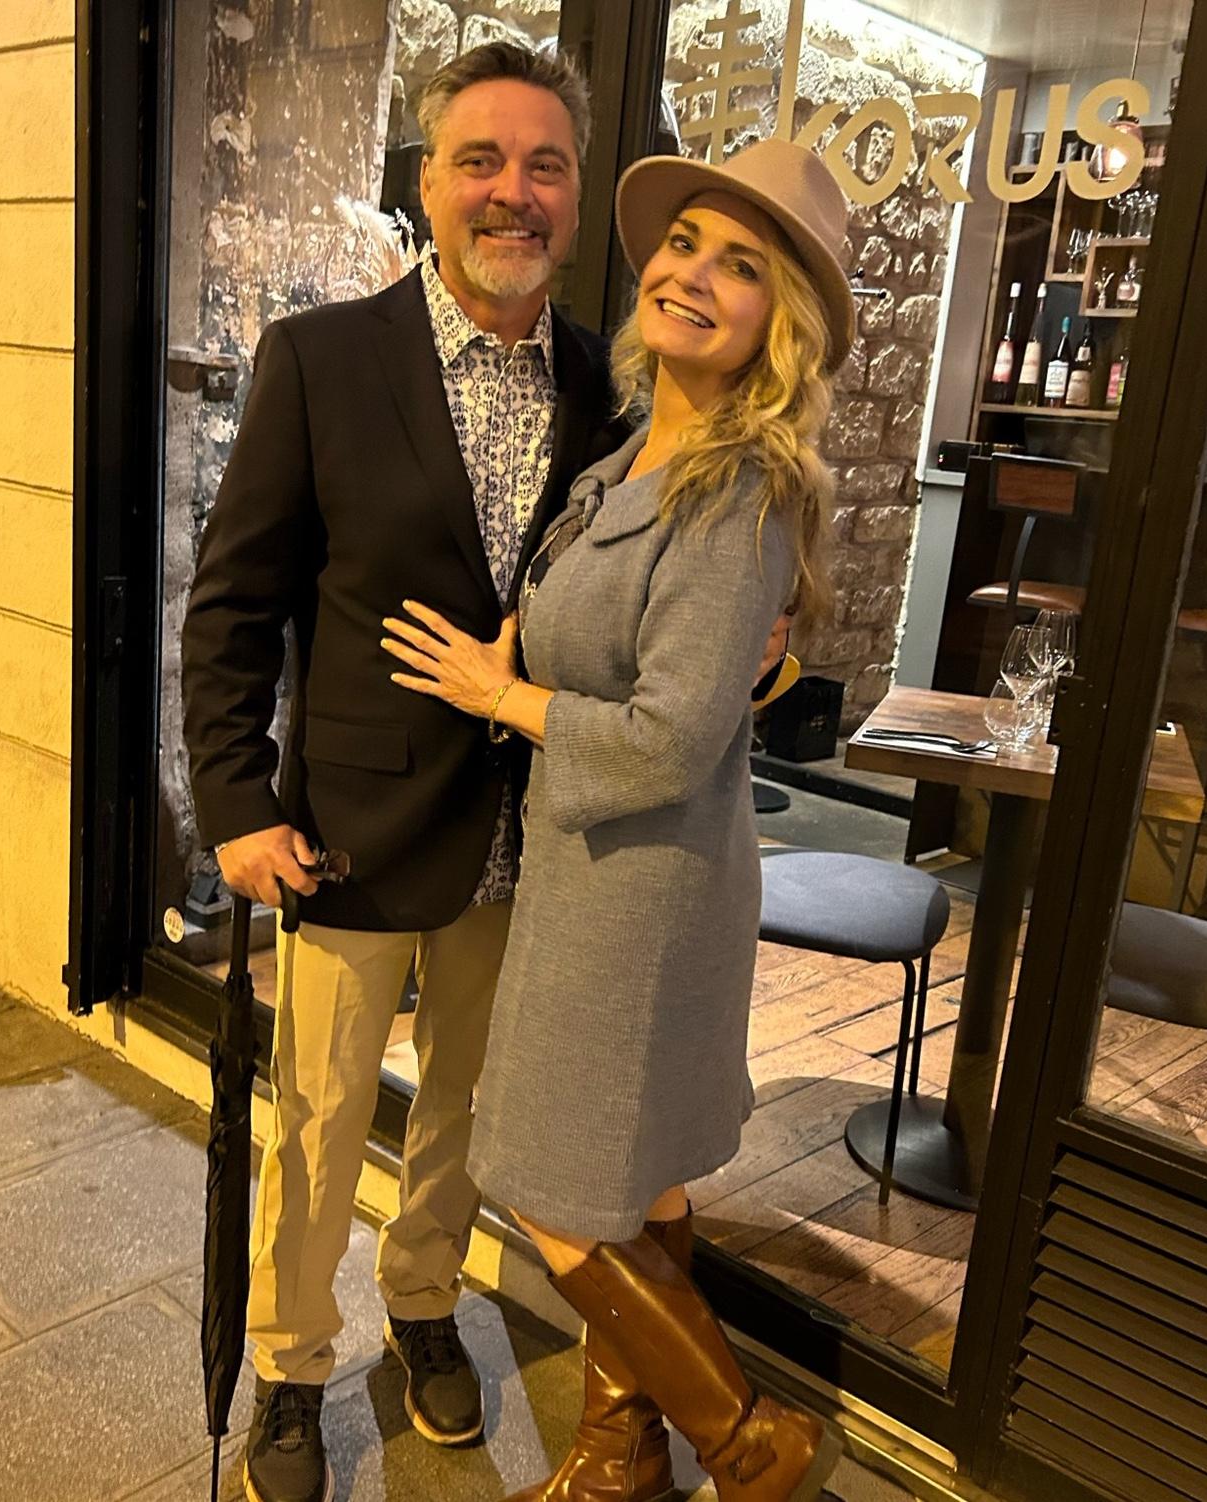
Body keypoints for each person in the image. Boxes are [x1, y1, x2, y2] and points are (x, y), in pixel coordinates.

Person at [183, 40, 787, 1502]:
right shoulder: (321, 359)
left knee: (464, 1114)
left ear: (574, 201)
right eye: (481, 161)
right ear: (427, 182)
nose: (512, 193)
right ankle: (290, 1367)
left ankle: (421, 1304)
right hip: (350, 832)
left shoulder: (614, 385)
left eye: (544, 166)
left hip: (544, 842)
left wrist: (760, 659)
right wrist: (237, 805)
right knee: (321, 1123)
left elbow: (664, 611)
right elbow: (233, 603)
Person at [379, 138, 854, 1501]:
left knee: (548, 1183)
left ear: (779, 324)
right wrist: (522, 649)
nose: (691, 274)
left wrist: (501, 693)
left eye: (739, 265)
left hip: (638, 893)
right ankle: (616, 1456)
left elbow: (668, 735)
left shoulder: (741, 488)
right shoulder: (637, 448)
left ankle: (749, 1441)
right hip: (608, 871)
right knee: (638, 1185)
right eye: (684, 241)